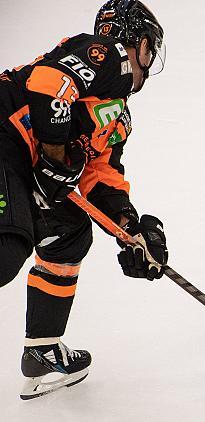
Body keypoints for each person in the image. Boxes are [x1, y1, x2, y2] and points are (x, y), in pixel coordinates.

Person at [0, 0, 168, 400]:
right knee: (6, 248)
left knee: (69, 231)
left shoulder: (115, 111)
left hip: (22, 157)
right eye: (151, 50)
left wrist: (130, 229)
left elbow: (100, 175)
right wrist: (56, 156)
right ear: (142, 44)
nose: (150, 60)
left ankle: (42, 349)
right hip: (4, 138)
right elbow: (47, 84)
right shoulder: (106, 55)